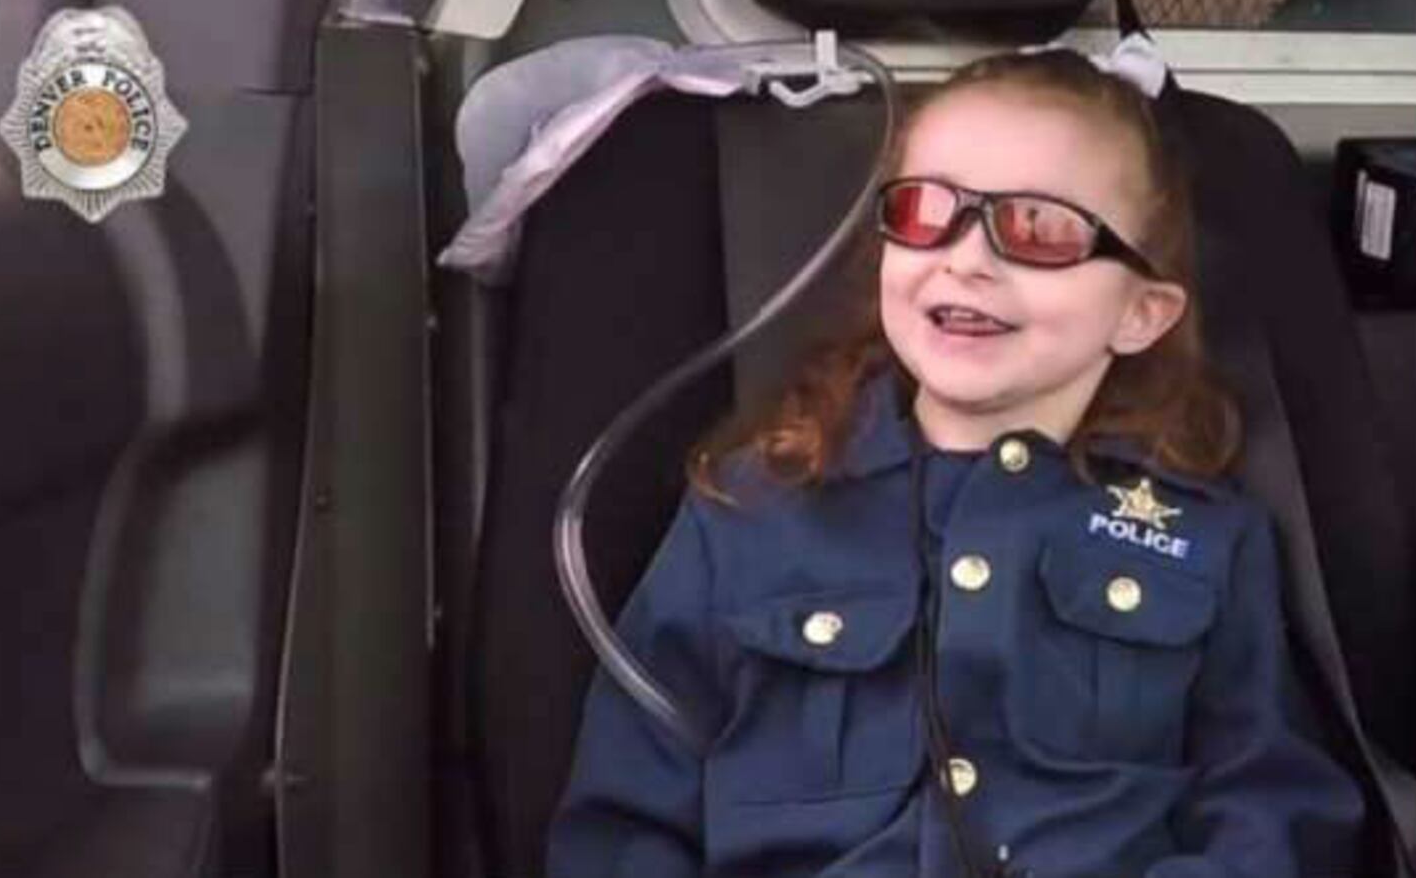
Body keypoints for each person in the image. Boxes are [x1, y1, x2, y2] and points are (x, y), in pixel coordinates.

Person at [547, 48, 1364, 878]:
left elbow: (1272, 809)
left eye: (1038, 228)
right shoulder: (747, 510)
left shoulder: (1205, 541)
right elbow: (623, 820)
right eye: (926, 212)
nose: (967, 259)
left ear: (1140, 313)